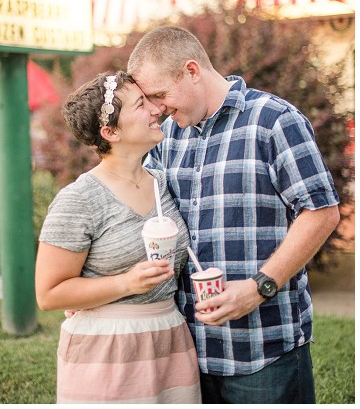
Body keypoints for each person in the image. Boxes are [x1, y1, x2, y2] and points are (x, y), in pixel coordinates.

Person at [127, 26, 340, 404]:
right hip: (188, 352)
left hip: (264, 351)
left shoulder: (274, 120)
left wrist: (260, 288)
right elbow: (142, 209)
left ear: (191, 70)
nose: (158, 109)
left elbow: (321, 212)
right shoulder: (170, 136)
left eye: (160, 95)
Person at [35, 72, 201, 404]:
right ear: (110, 132)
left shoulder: (162, 183)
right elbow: (49, 295)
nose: (156, 110)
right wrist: (126, 283)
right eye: (141, 104)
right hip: (107, 348)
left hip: (170, 337)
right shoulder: (79, 200)